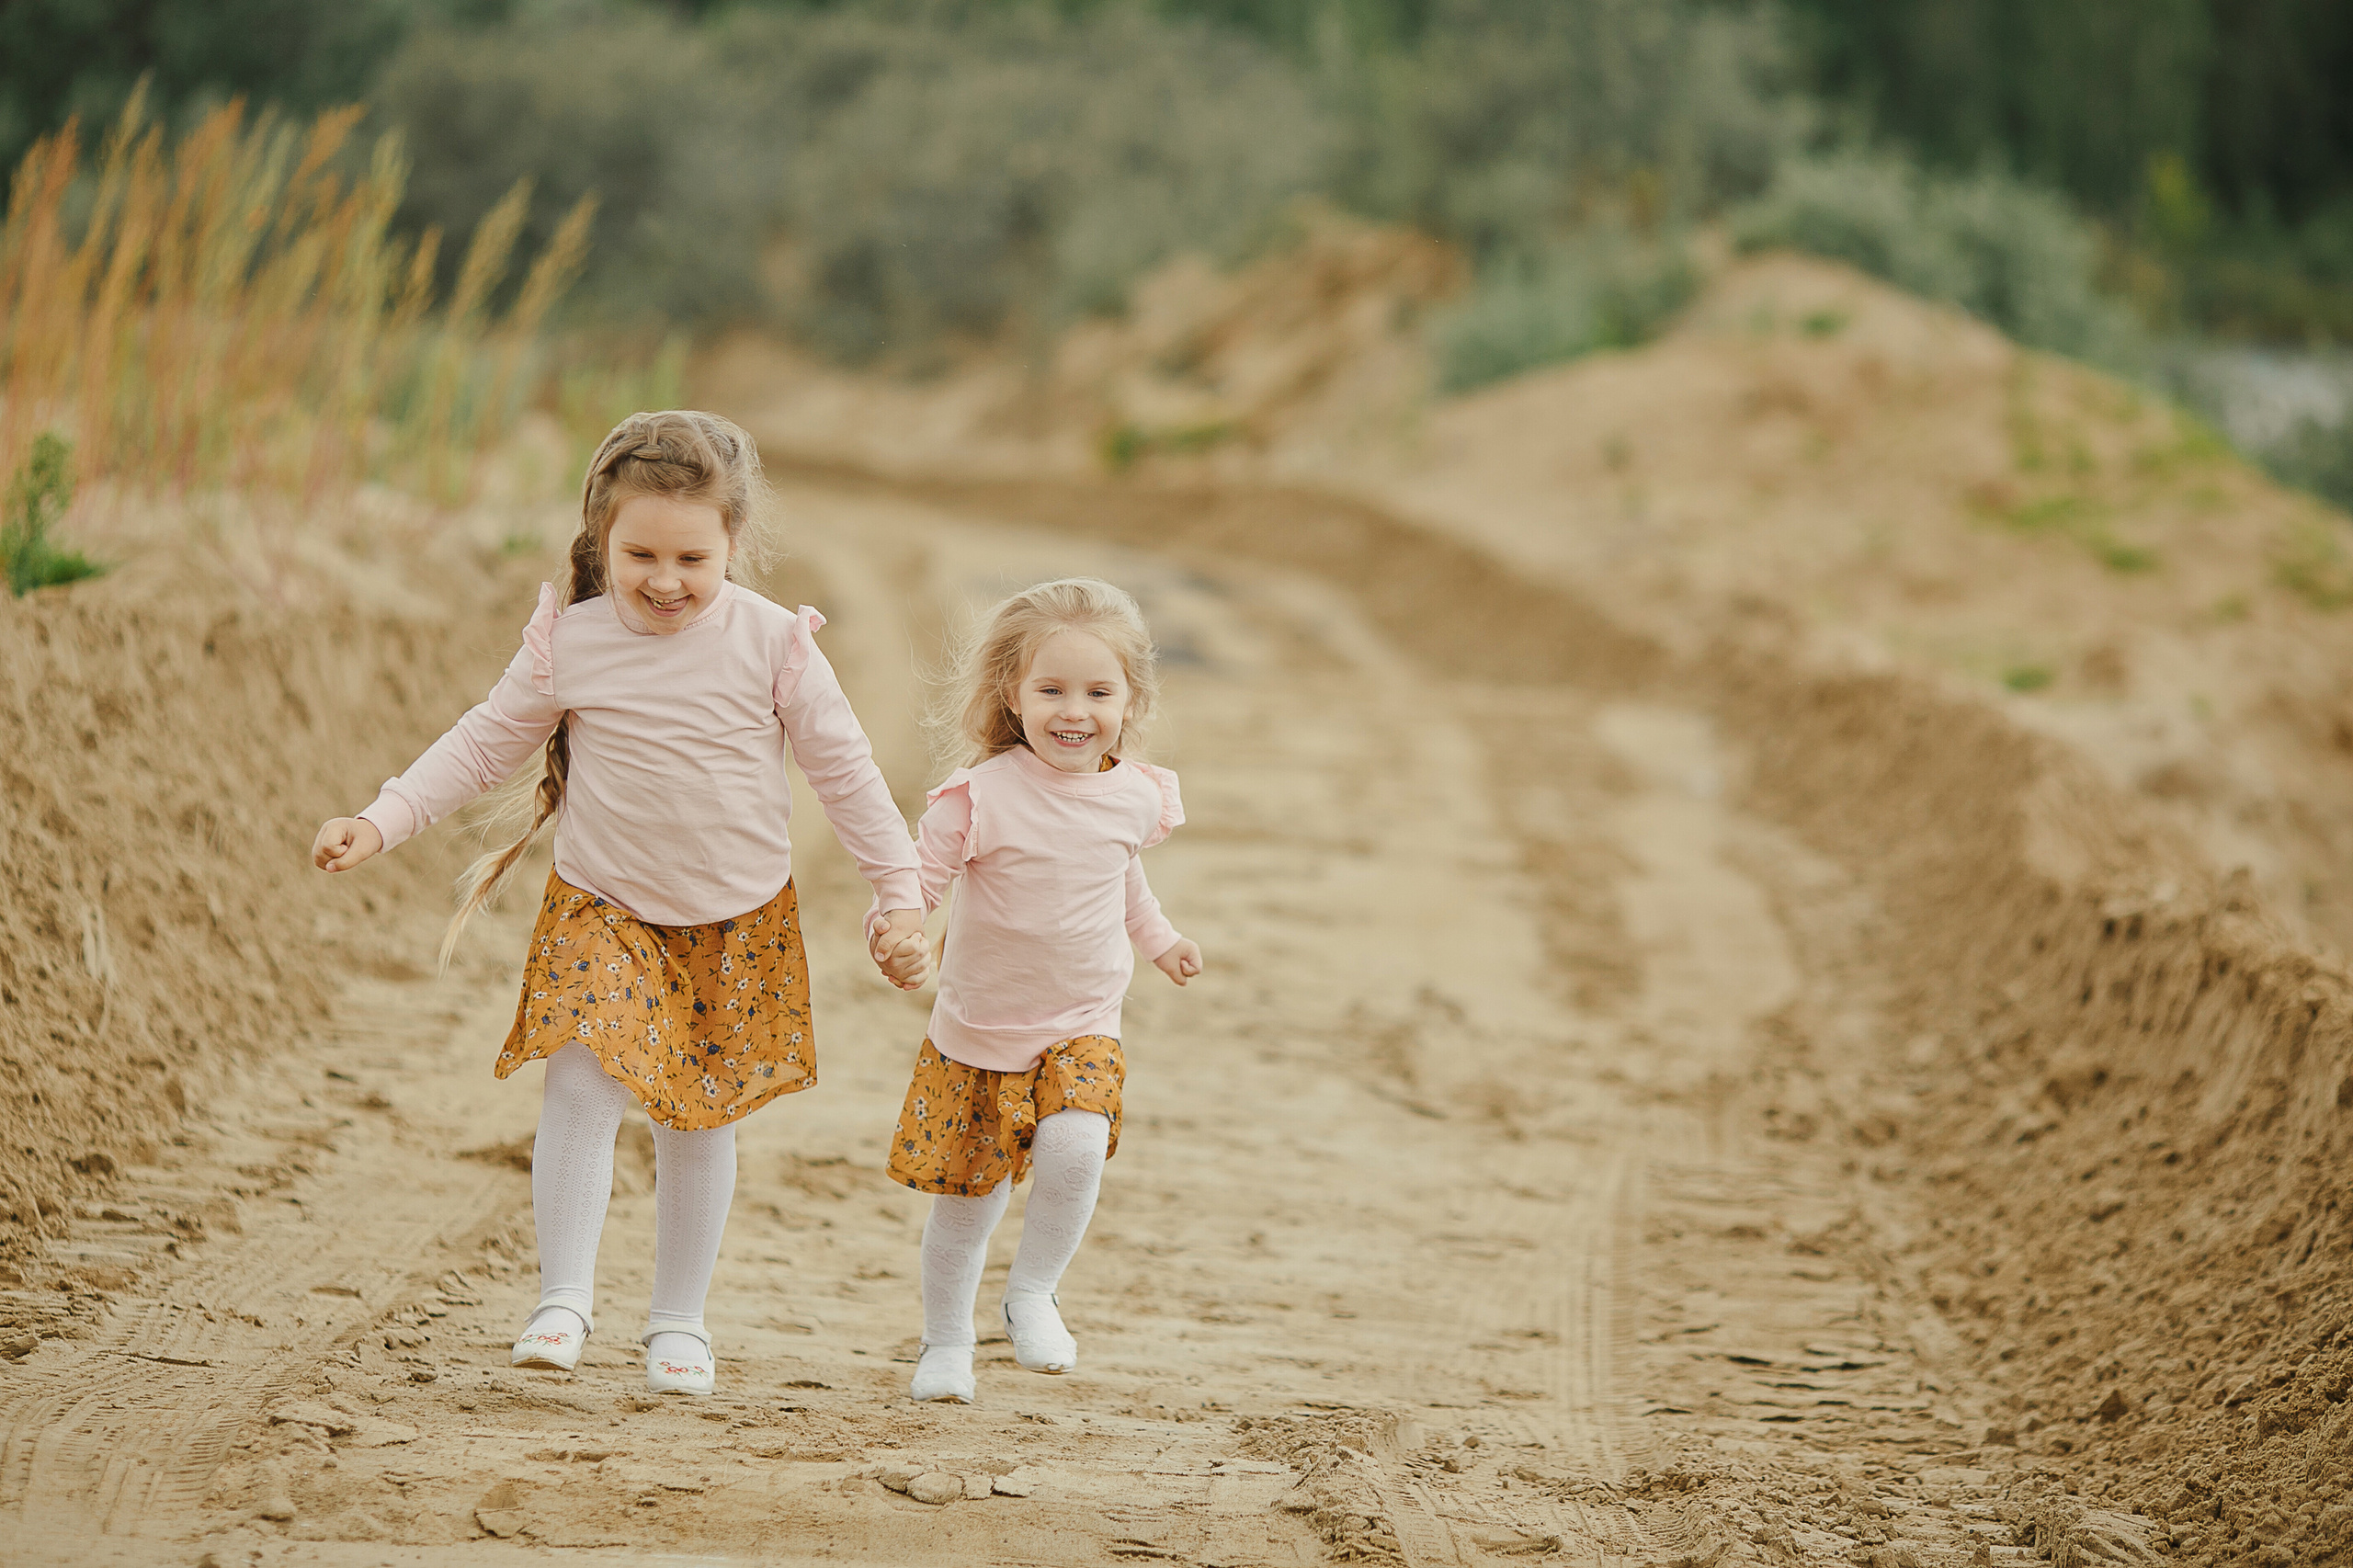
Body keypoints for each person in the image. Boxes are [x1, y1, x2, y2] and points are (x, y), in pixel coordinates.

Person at [309, 410, 930, 1397]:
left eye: (693, 554)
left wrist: (898, 896)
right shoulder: (574, 639)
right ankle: (563, 1298)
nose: (666, 578)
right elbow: (483, 740)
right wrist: (381, 818)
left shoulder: (773, 643)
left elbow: (849, 776)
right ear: (601, 539)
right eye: (639, 552)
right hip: (605, 907)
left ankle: (679, 1320)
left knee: (698, 1120)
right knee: (582, 1085)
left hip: (734, 921)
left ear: (734, 543)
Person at [889, 576, 1203, 1404]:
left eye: (1099, 691)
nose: (1076, 710)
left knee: (1073, 1146)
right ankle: (947, 1344)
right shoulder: (981, 795)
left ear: (1130, 700)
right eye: (1052, 689)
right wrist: (897, 928)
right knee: (970, 1204)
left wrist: (1161, 940)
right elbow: (918, 880)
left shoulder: (1134, 795)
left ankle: (1032, 1291)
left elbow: (1122, 878)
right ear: (1012, 694)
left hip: (1083, 1020)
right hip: (981, 1030)